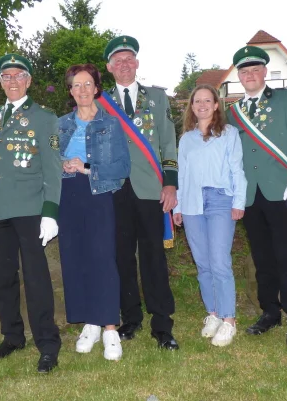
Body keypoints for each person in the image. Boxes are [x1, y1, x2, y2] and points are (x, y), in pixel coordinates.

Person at [0, 54, 63, 373]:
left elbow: (53, 170)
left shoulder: (43, 117)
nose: (12, 81)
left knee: (36, 278)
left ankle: (48, 343)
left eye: (18, 76)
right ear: (0, 82)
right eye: (6, 77)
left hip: (30, 209)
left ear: (28, 81)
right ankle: (13, 336)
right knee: (1, 278)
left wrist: (50, 212)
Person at [224, 46, 287, 346]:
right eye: (243, 72)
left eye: (254, 70)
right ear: (239, 76)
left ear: (264, 72)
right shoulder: (232, 112)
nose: (249, 75)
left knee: (286, 256)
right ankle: (270, 312)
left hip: (280, 189)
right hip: (248, 195)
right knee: (261, 257)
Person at [102, 36, 180, 350]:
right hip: (115, 191)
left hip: (151, 189)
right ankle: (130, 319)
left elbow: (168, 141)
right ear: (109, 68)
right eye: (117, 61)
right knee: (121, 257)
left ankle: (163, 325)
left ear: (136, 63)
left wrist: (171, 182)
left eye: (128, 59)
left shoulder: (158, 98)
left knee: (153, 258)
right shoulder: (99, 101)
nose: (123, 65)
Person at [57, 64, 131, 361]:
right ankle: (90, 322)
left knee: (102, 258)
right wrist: (61, 163)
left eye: (88, 84)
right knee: (75, 258)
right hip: (67, 195)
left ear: (97, 88)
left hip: (98, 194)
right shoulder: (60, 124)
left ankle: (110, 327)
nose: (82, 90)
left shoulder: (111, 124)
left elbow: (122, 168)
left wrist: (86, 167)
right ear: (71, 91)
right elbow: (48, 158)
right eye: (76, 85)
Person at [173, 85, 246, 347]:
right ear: (191, 107)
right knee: (203, 263)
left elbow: (237, 169)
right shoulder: (186, 139)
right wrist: (177, 207)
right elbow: (181, 175)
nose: (201, 104)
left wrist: (239, 201)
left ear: (216, 105)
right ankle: (213, 313)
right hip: (192, 202)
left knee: (219, 261)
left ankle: (229, 320)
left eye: (207, 100)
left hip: (220, 200)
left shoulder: (228, 134)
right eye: (197, 101)